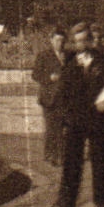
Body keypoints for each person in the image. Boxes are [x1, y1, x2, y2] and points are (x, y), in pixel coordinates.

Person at [51, 21, 104, 207]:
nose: (80, 45)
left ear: (91, 41)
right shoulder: (70, 62)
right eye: (77, 42)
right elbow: (63, 91)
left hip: (98, 119)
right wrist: (64, 117)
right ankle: (66, 203)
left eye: (84, 40)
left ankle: (100, 201)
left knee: (99, 160)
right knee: (71, 162)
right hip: (76, 119)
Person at [31, 26, 68, 167]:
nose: (60, 43)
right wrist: (49, 77)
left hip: (64, 98)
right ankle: (51, 154)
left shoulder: (68, 55)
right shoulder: (44, 56)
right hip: (49, 97)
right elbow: (35, 75)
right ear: (51, 40)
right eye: (57, 40)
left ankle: (59, 155)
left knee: (62, 127)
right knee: (52, 127)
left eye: (62, 40)